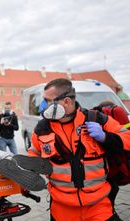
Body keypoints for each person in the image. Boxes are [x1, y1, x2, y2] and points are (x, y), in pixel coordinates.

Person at [28, 78, 130, 220]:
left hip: (99, 207)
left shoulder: (96, 119)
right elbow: (34, 152)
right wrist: (27, 174)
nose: (43, 105)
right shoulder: (42, 128)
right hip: (62, 209)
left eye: (48, 101)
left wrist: (106, 137)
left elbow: (128, 137)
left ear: (67, 101)